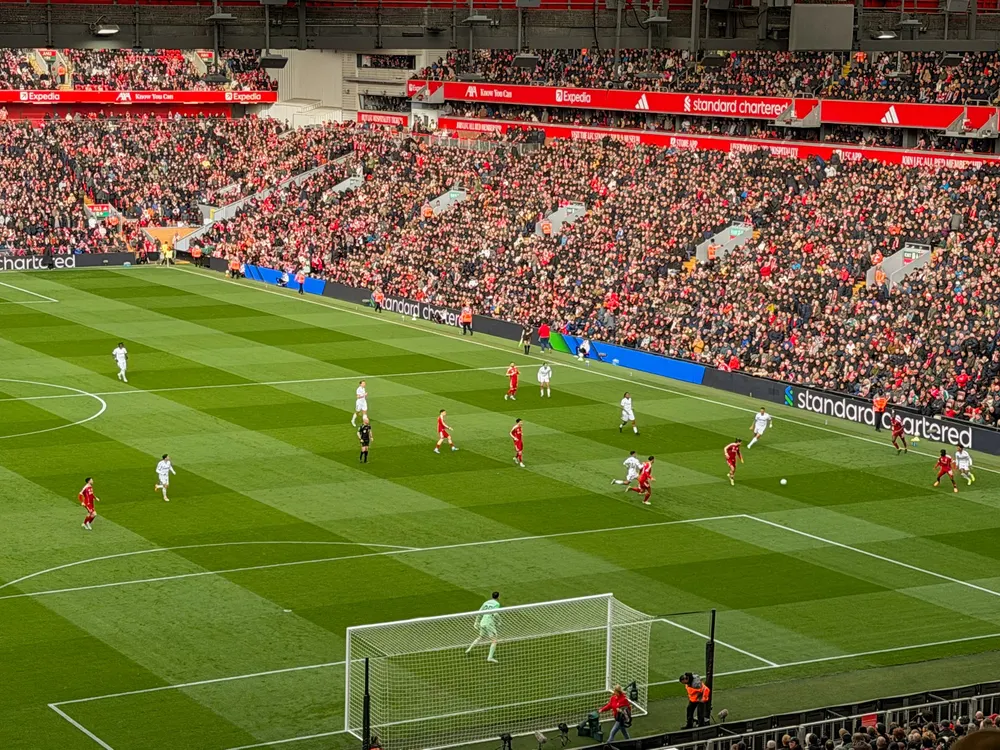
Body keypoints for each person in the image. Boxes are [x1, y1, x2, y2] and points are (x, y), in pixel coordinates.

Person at [465, 591, 500, 662]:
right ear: (498, 597)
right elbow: (495, 614)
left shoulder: (486, 602)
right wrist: (499, 621)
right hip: (489, 622)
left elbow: (480, 612)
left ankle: (469, 649)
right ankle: (490, 658)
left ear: (491, 596)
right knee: (494, 640)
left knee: (481, 637)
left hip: (483, 621)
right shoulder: (497, 604)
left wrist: (476, 622)